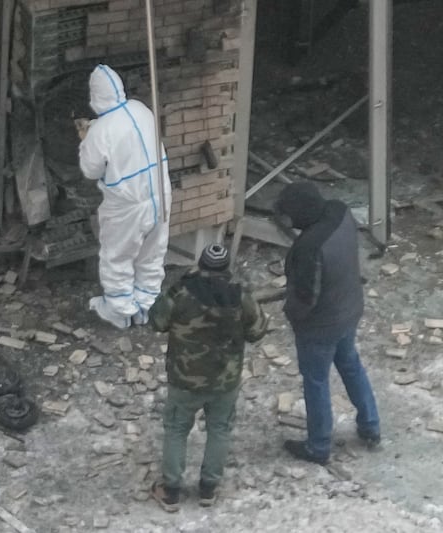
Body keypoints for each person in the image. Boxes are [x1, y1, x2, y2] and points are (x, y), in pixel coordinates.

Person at [148, 244, 268, 511]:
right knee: (219, 429)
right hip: (225, 380)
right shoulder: (241, 295)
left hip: (184, 378)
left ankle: (171, 491)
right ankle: (208, 489)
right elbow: (258, 331)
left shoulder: (180, 292)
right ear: (227, 268)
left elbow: (156, 322)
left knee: (177, 429)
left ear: (200, 265)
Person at [275, 182, 380, 465]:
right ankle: (370, 426)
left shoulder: (310, 246)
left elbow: (306, 297)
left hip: (321, 325)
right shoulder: (340, 211)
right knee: (350, 363)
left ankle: (318, 445)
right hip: (349, 307)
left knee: (316, 381)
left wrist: (293, 317)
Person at [78, 64, 172, 330]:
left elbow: (90, 169)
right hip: (160, 193)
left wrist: (86, 139)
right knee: (152, 252)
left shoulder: (100, 131)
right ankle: (146, 305)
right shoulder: (141, 110)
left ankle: (119, 311)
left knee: (117, 256)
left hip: (128, 205)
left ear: (95, 96)